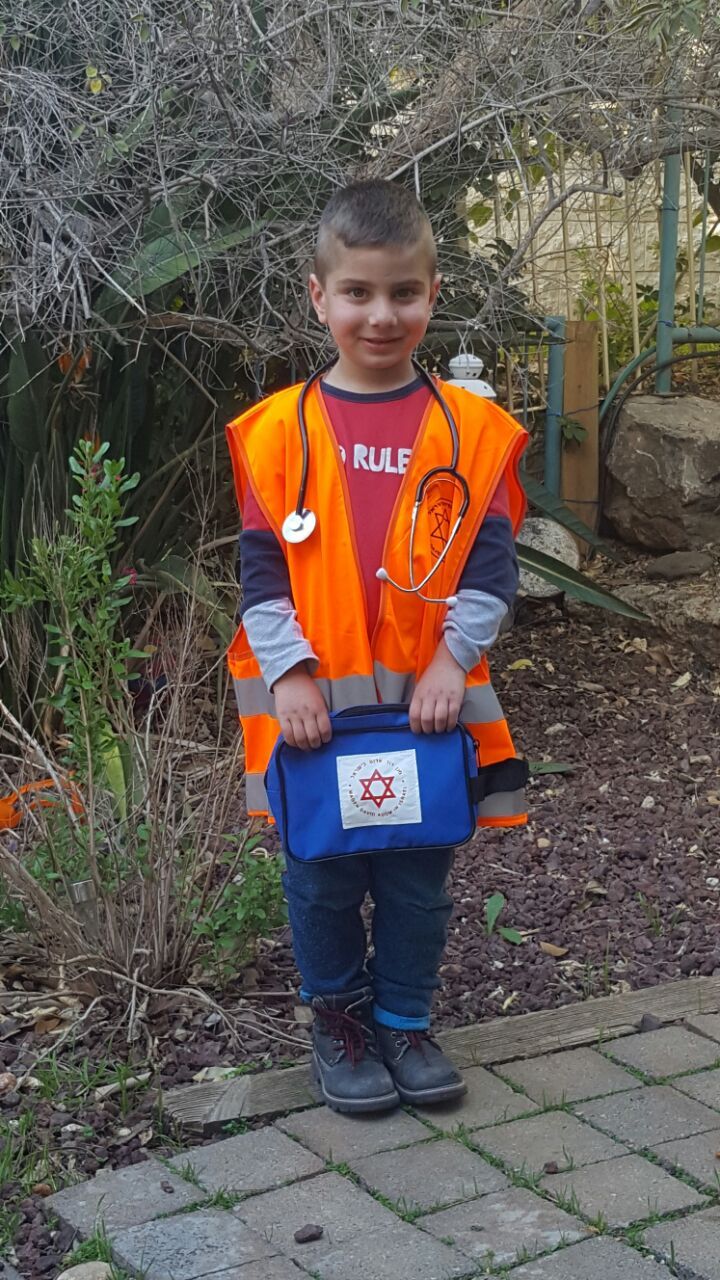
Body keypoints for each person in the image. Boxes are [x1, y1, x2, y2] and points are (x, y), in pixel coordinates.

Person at [226, 179, 528, 1114]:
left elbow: (490, 570)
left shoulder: (471, 432)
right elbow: (261, 574)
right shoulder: (276, 433)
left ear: (433, 294)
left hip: (421, 716)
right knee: (320, 880)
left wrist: (449, 661)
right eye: (357, 293)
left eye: (403, 293)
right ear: (320, 297)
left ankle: (404, 1019)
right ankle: (340, 1024)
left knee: (416, 880)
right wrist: (289, 674)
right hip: (315, 721)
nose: (381, 315)